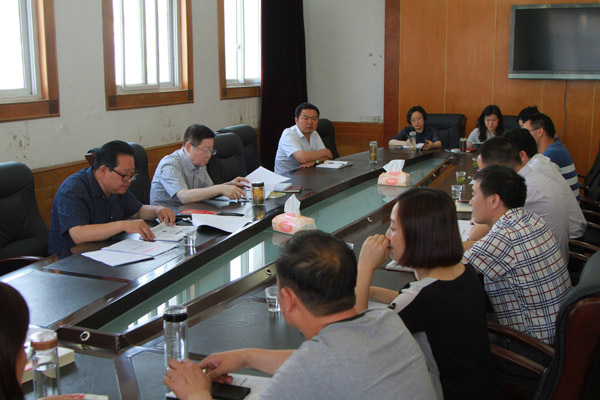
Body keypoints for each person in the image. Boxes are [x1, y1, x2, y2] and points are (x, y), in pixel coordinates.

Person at [163, 230, 436, 400]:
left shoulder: (310, 368)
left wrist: (196, 394)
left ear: (289, 300)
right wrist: (247, 357)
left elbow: (313, 365)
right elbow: (329, 362)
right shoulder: (386, 321)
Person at [354, 188, 500, 400]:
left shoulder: (422, 296)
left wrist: (364, 268)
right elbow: (419, 305)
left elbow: (358, 338)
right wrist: (371, 291)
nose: (386, 235)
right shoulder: (463, 269)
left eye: (393, 228)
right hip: (482, 387)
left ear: (418, 235)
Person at [464, 165, 571, 345]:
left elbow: (451, 274)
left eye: (474, 194)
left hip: (530, 345)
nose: (470, 202)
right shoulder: (531, 219)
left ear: (494, 200)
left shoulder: (504, 236)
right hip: (557, 331)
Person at [49, 140, 175, 255]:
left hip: (107, 250)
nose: (129, 180)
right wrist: (123, 225)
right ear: (103, 170)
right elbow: (78, 234)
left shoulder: (116, 187)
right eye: (125, 175)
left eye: (132, 175)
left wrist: (157, 210)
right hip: (70, 260)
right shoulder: (73, 189)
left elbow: (138, 211)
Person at [474, 136, 570, 262]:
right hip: (549, 257)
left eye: (483, 172)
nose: (481, 177)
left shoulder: (521, 188)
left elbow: (475, 234)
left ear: (495, 170)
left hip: (539, 261)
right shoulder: (531, 176)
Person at [501, 128, 586, 239]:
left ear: (522, 155)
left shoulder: (533, 171)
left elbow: (503, 214)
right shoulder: (540, 160)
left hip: (572, 239)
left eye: (504, 156)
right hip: (570, 230)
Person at [150, 124, 249, 209]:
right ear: (188, 147)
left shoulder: (199, 161)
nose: (209, 155)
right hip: (170, 218)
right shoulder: (170, 165)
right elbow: (184, 197)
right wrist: (220, 188)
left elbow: (209, 189)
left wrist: (229, 185)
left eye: (211, 150)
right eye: (205, 150)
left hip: (193, 212)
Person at [523, 112, 579, 201]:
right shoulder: (556, 147)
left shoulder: (551, 154)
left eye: (526, 132)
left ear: (540, 132)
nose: (524, 136)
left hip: (565, 207)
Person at [274, 103, 333, 175]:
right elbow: (302, 158)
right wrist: (326, 151)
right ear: (296, 120)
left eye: (314, 119)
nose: (310, 122)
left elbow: (328, 157)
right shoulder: (289, 134)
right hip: (286, 178)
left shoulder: (314, 133)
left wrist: (314, 162)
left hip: (306, 175)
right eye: (305, 118)